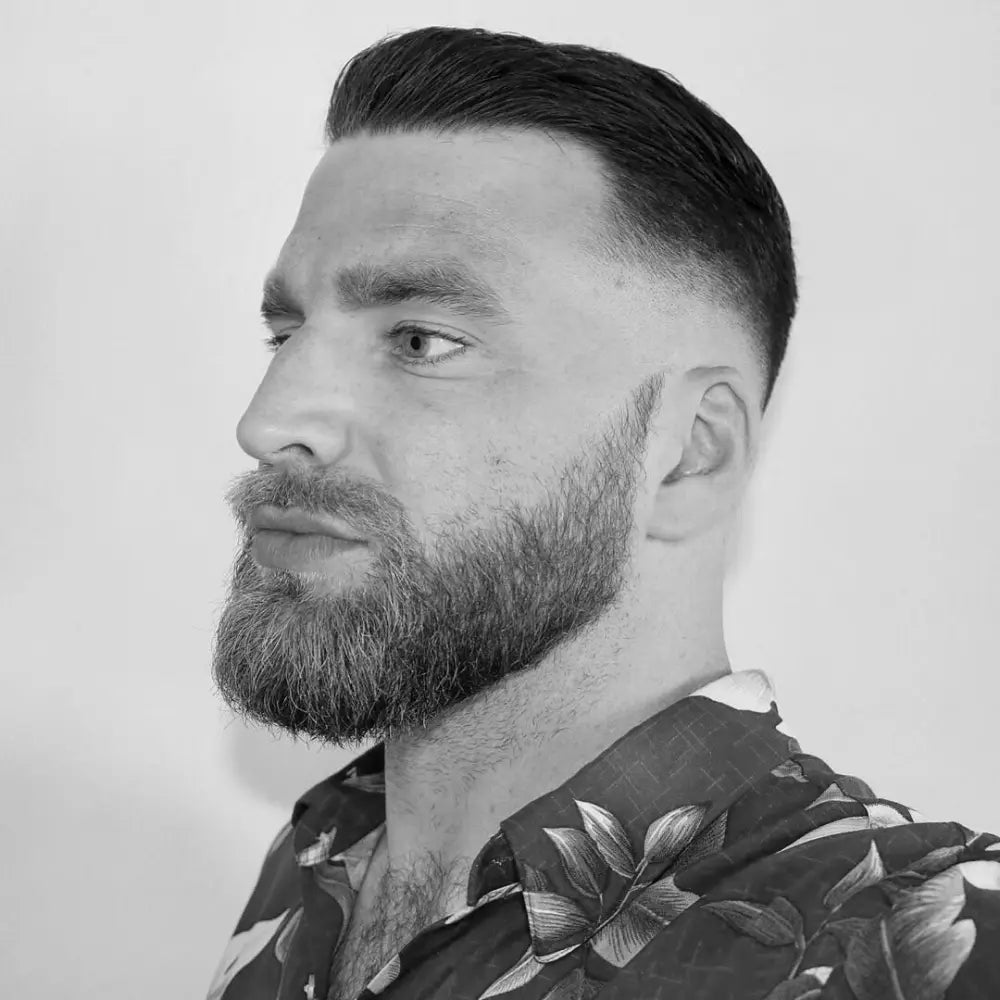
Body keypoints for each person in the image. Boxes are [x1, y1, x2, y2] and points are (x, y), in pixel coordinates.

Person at [206, 25, 999, 1000]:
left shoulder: (926, 960)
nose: (269, 420)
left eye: (419, 339)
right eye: (285, 332)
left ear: (686, 454)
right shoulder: (327, 853)